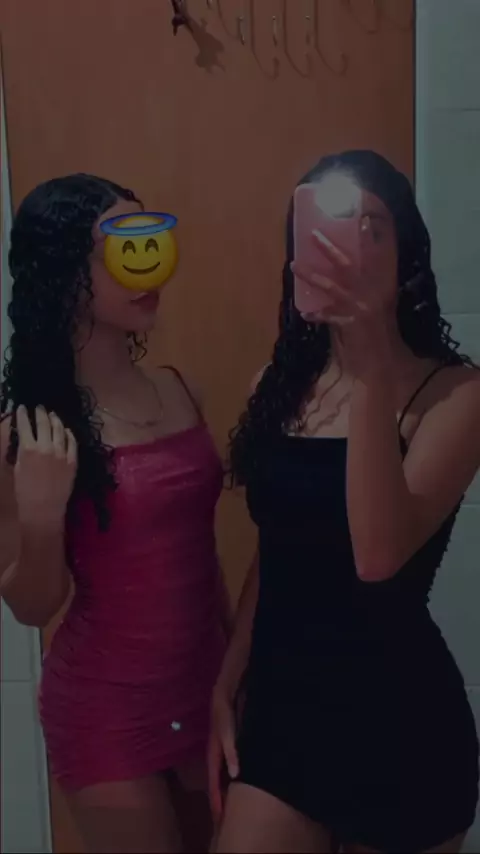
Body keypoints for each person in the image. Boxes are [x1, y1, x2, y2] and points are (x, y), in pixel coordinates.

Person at [209, 150, 480, 854]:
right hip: (284, 714)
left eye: (373, 227)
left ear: (406, 251)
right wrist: (228, 677)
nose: (352, 243)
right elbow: (277, 547)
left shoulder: (456, 395)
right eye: (332, 226)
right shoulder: (277, 384)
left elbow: (378, 556)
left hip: (400, 725)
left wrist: (368, 367)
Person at [0, 174, 230, 854]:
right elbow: (32, 606)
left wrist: (237, 674)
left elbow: (203, 556)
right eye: (123, 248)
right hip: (105, 709)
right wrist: (42, 515)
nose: (147, 265)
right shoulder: (25, 431)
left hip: (207, 686)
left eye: (150, 241)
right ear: (65, 273)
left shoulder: (179, 388)